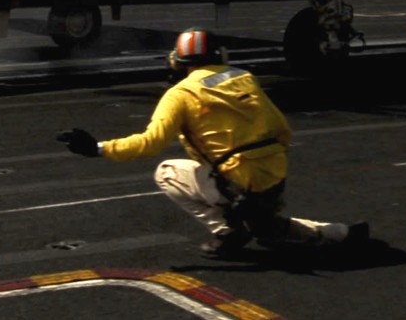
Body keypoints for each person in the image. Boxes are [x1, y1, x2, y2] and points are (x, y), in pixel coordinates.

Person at [57, 28, 367, 257]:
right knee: (270, 231)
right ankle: (340, 233)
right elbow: (282, 129)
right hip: (273, 177)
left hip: (236, 182)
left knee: (166, 170)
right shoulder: (243, 78)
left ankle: (227, 229)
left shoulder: (181, 93)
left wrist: (97, 148)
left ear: (179, 63)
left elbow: (150, 143)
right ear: (218, 57)